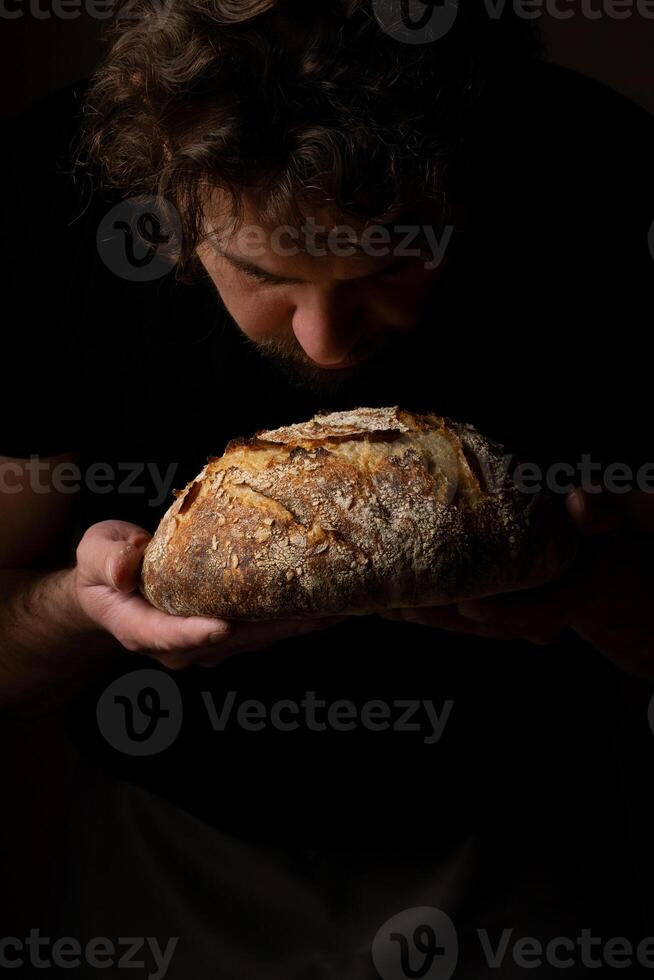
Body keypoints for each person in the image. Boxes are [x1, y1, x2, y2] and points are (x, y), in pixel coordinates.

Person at [1, 1, 654, 975]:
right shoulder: (45, 209)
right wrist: (89, 607)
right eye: (264, 271)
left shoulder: (601, 179)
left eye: (390, 264)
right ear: (167, 210)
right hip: (170, 861)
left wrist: (606, 591)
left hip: (527, 847)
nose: (326, 341)